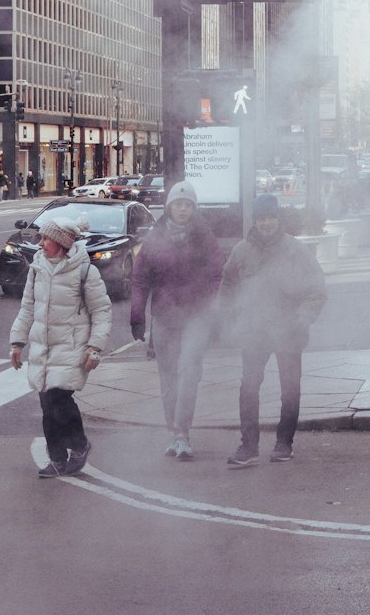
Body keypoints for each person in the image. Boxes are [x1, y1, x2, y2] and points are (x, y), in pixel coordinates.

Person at [218, 193, 326, 467]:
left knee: (290, 388)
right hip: (254, 330)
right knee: (249, 386)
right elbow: (228, 285)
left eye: (270, 218)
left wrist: (303, 319)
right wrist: (228, 315)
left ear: (278, 220)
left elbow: (316, 289)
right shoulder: (242, 250)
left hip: (289, 330)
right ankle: (248, 446)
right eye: (261, 219)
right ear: (255, 221)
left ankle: (284, 442)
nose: (266, 224)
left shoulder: (296, 250)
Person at [8, 215, 112, 478]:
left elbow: (101, 310)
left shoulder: (85, 271)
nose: (41, 243)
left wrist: (94, 347)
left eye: (46, 238)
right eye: (42, 237)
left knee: (59, 399)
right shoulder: (37, 268)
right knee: (47, 404)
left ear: (62, 243)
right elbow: (27, 308)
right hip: (43, 348)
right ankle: (56, 459)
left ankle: (79, 445)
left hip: (71, 346)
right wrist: (17, 343)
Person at [129, 180, 224, 460]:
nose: (182, 209)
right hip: (165, 317)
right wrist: (137, 315)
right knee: (168, 377)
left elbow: (218, 274)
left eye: (187, 205)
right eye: (178, 204)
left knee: (188, 370)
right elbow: (140, 279)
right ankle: (174, 432)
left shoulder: (204, 236)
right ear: (170, 207)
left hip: (195, 315)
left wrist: (212, 307)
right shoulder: (155, 238)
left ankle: (183, 433)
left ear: (193, 208)